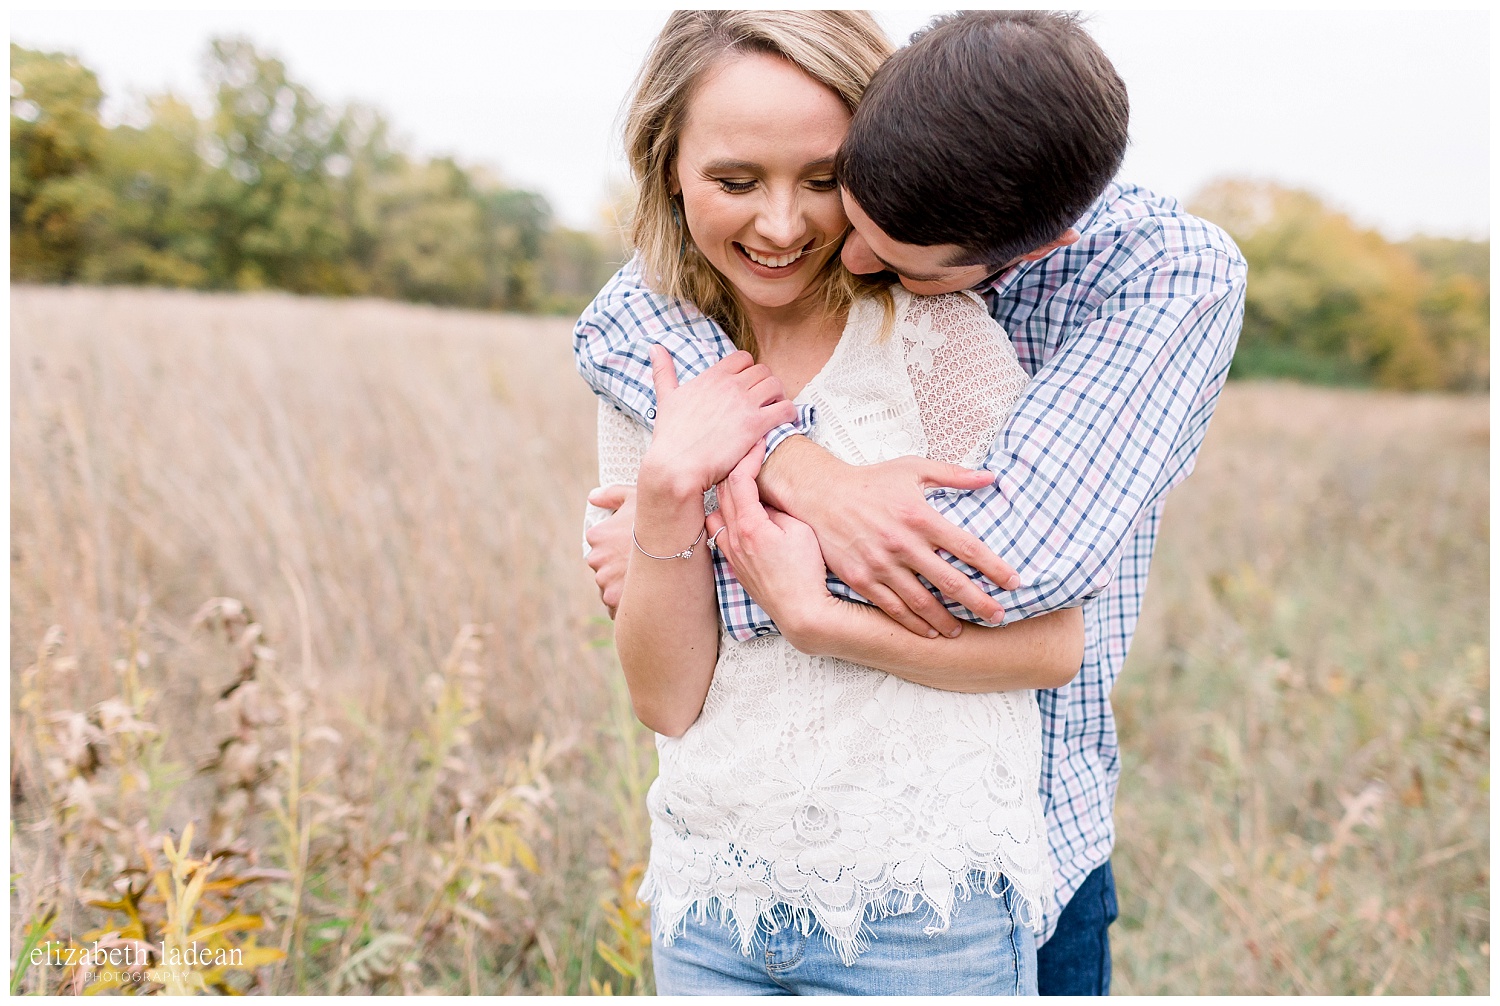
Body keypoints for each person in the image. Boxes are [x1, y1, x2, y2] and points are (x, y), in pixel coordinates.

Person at [575, 10, 1249, 996]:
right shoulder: (680, 321)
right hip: (720, 889)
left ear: (1028, 250)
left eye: (827, 189)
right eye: (737, 181)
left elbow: (1008, 574)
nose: (827, 248)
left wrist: (714, 563)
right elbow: (612, 323)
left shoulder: (1131, 288)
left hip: (989, 858)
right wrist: (800, 472)